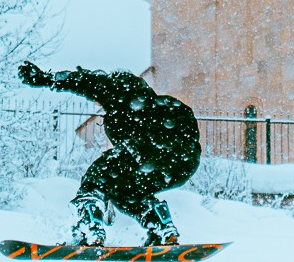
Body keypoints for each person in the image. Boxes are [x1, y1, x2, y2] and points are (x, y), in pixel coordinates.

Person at [18, 61, 202, 246]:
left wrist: (46, 78)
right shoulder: (153, 101)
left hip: (151, 148)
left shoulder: (119, 88)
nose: (98, 102)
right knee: (126, 193)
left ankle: (89, 228)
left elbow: (83, 81)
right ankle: (162, 229)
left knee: (96, 178)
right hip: (182, 164)